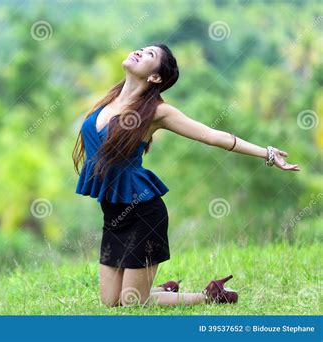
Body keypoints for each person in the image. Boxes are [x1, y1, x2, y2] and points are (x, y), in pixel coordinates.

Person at [72, 42, 300, 307]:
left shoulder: (157, 112)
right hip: (113, 213)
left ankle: (209, 295)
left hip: (143, 214)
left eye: (149, 55)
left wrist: (267, 153)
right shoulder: (108, 100)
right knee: (111, 302)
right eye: (142, 49)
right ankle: (163, 289)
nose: (139, 52)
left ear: (155, 77)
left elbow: (212, 136)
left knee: (133, 304)